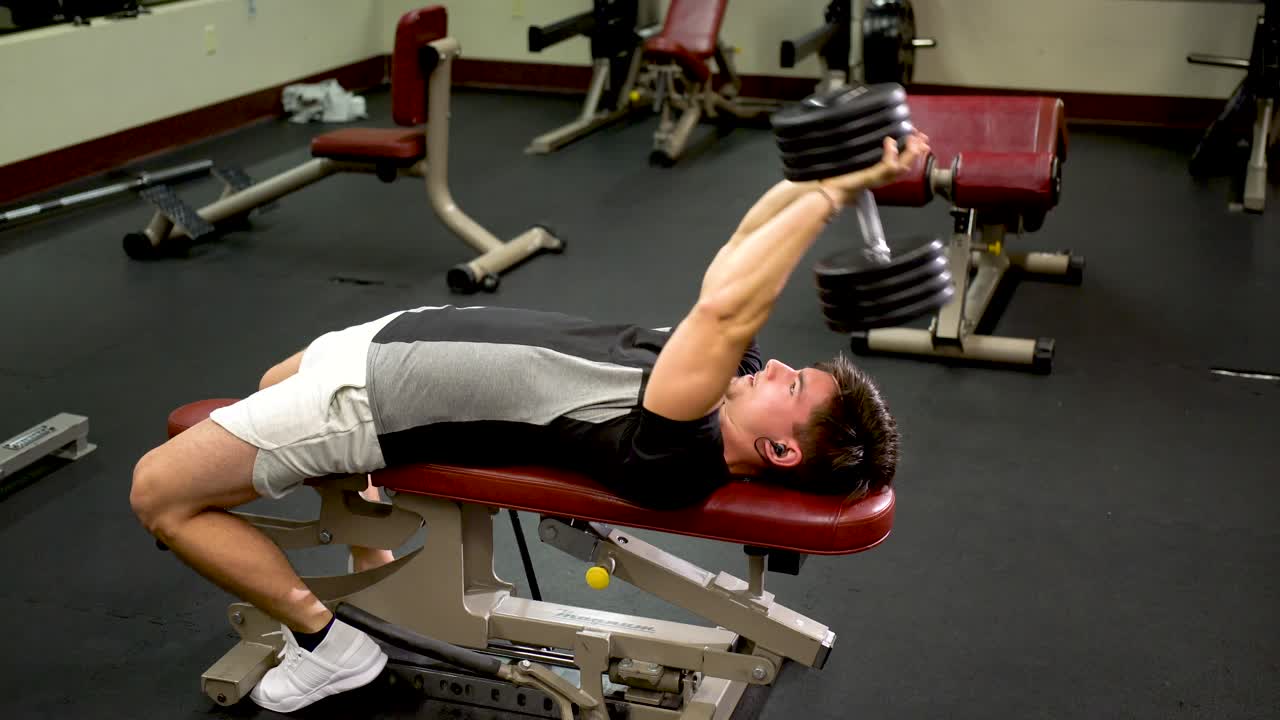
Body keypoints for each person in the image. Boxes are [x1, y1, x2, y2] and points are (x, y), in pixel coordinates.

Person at [128, 133, 929, 713]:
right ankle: (381, 576)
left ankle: (326, 642)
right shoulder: (732, 387)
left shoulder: (678, 447)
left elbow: (725, 309)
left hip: (372, 400)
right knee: (270, 383)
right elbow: (741, 251)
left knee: (159, 493)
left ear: (780, 449)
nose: (777, 365)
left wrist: (830, 201)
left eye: (794, 384)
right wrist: (836, 172)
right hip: (394, 341)